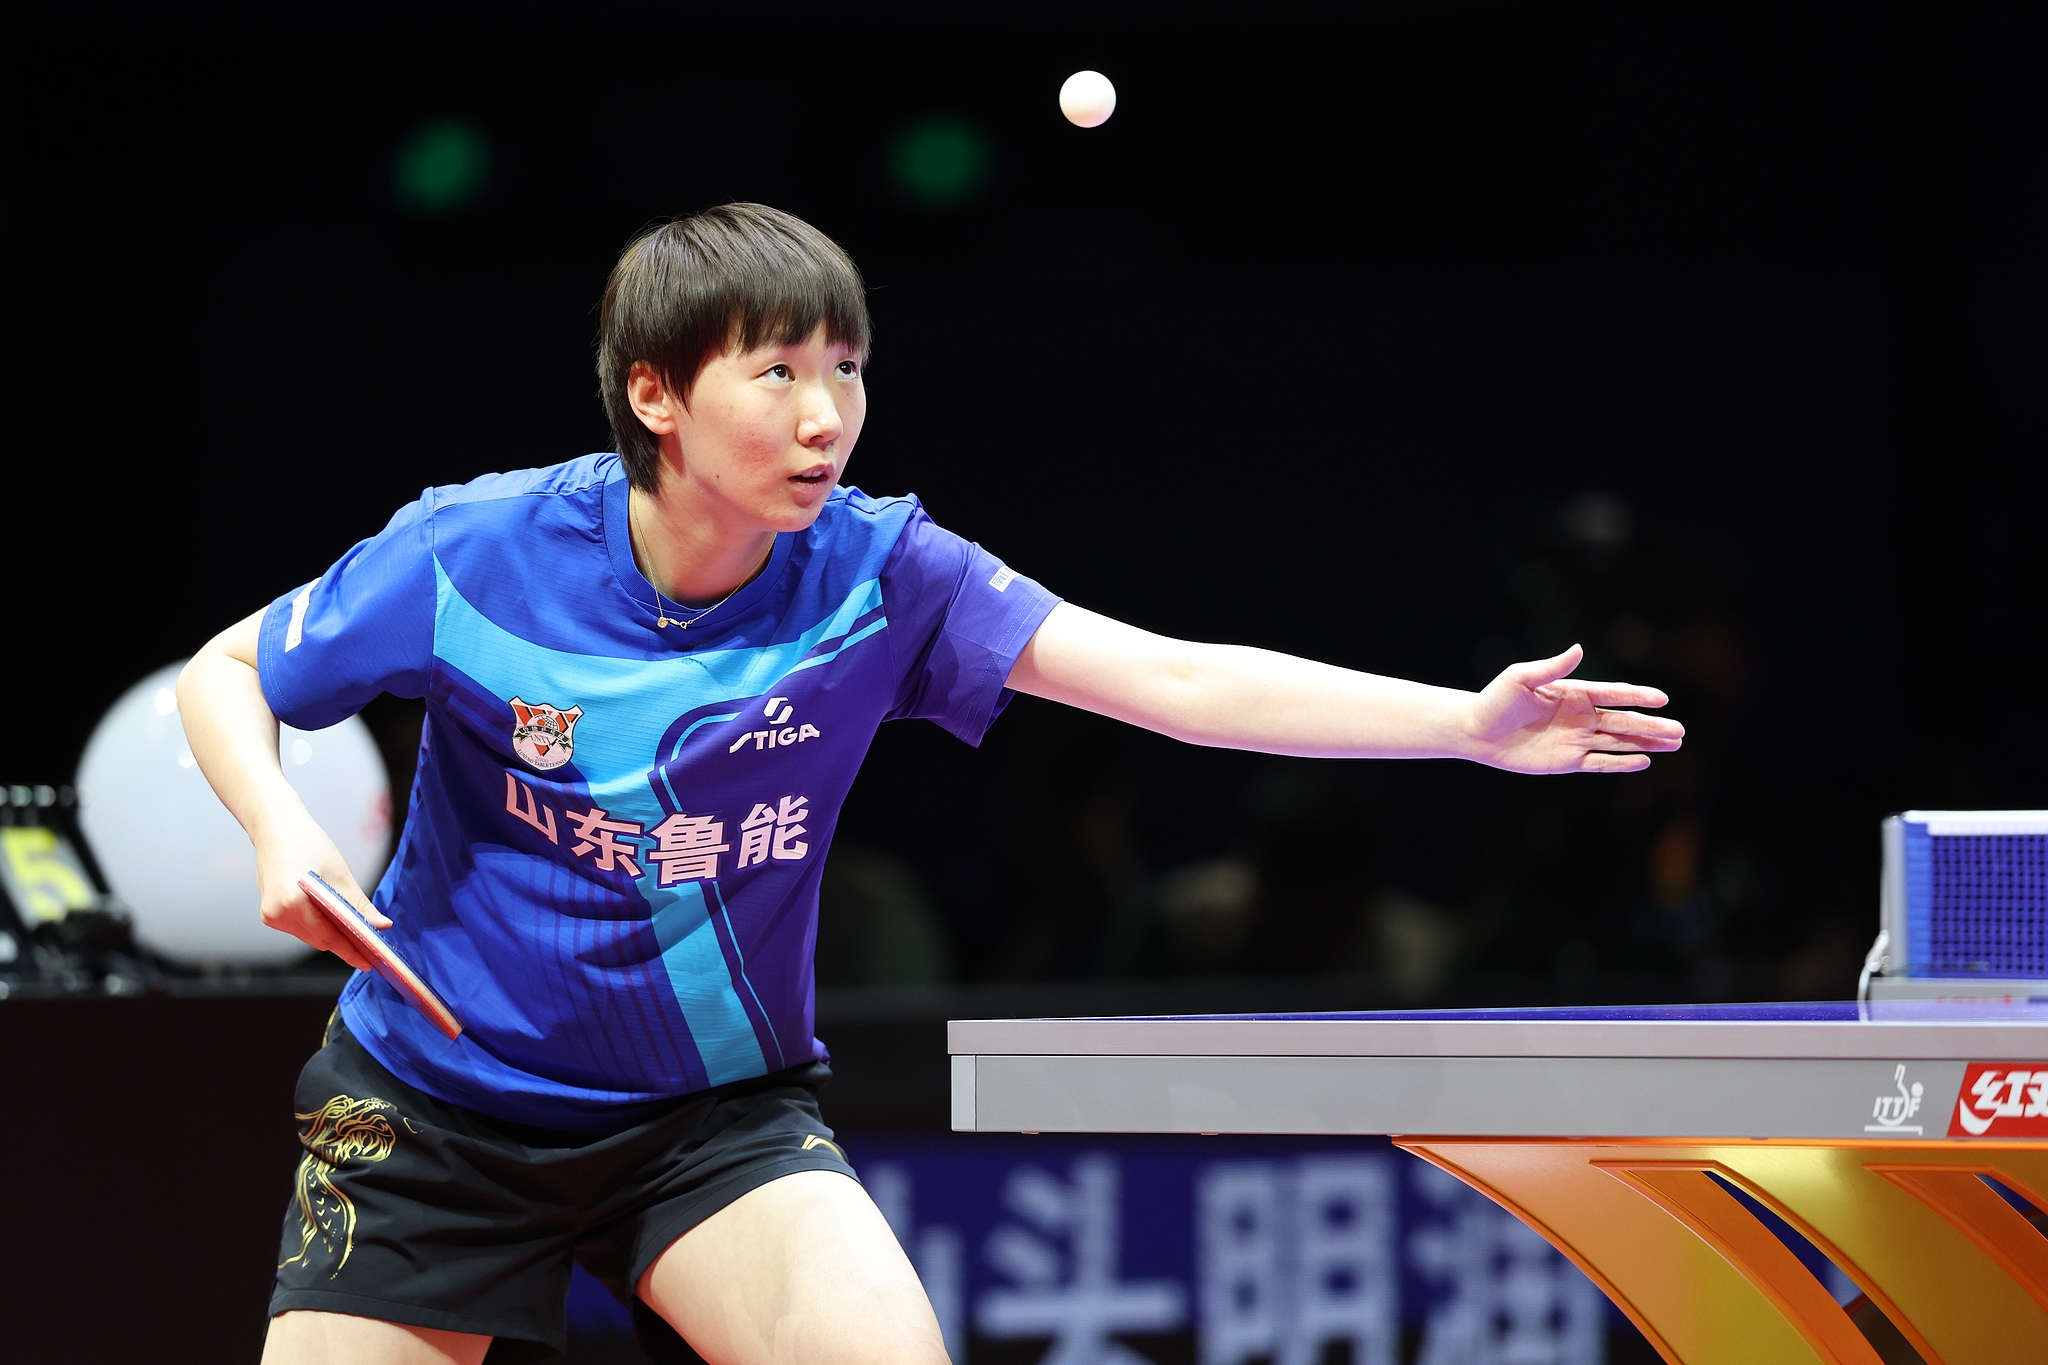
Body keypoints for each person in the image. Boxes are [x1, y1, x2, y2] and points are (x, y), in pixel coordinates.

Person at [179, 202, 1682, 1365]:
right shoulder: (472, 551)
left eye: (846, 366)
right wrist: (278, 824)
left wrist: (1461, 726)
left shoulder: (881, 574)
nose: (825, 412)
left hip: (708, 1120)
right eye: (776, 371)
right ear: (656, 392)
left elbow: (1169, 677)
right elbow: (227, 673)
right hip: (439, 1105)